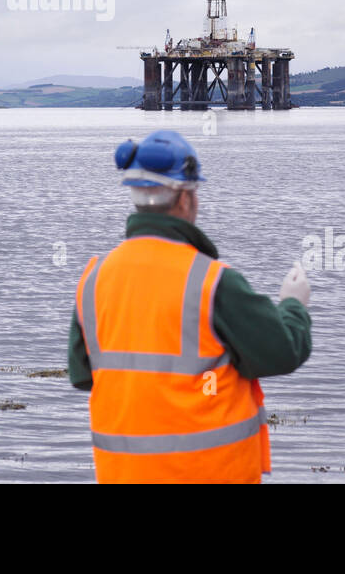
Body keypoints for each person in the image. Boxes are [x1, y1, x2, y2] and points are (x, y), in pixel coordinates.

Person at [68, 129, 312, 483]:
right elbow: (281, 353)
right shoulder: (212, 281)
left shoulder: (93, 279)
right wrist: (293, 306)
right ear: (184, 199)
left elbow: (82, 375)